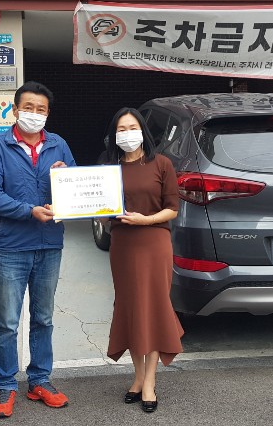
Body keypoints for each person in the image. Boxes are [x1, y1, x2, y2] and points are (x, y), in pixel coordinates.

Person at [0, 81, 77, 419]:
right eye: (29, 107)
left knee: (44, 318)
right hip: (11, 247)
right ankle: (5, 384)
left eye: (41, 109)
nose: (35, 114)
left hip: (49, 245)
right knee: (8, 322)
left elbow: (76, 189)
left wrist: (67, 177)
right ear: (15, 109)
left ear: (48, 113)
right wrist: (28, 211)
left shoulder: (59, 144)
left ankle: (39, 380)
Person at [103, 107, 184, 414]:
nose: (127, 134)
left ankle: (150, 381)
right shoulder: (109, 169)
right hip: (123, 246)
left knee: (153, 308)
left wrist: (145, 220)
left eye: (132, 127)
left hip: (154, 243)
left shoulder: (161, 163)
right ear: (114, 135)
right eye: (121, 129)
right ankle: (137, 377)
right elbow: (96, 205)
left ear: (143, 131)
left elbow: (172, 208)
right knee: (130, 309)